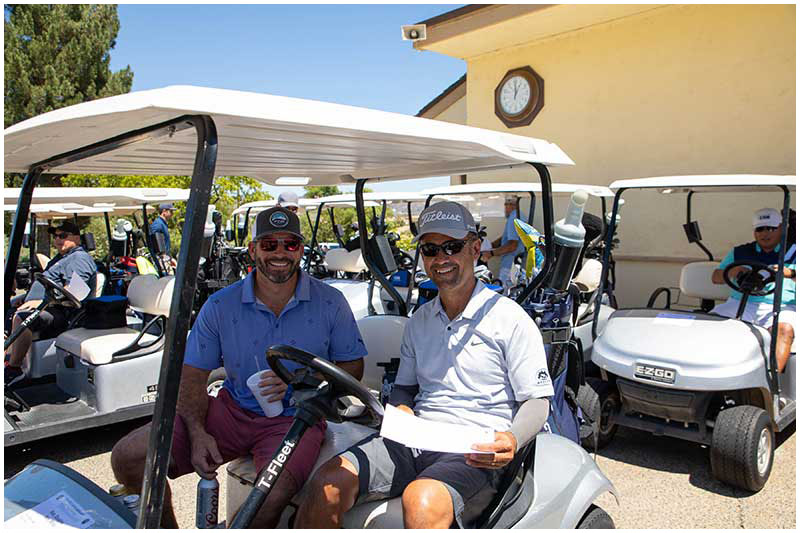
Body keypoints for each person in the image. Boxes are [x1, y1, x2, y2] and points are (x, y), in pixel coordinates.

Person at [297, 201, 553, 529]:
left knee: (422, 498)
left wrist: (513, 439)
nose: (441, 258)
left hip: (477, 449)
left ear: (475, 249)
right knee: (328, 483)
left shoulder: (511, 319)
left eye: (452, 247)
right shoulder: (419, 321)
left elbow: (537, 400)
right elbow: (404, 388)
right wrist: (401, 409)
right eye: (431, 249)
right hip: (419, 439)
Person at [110, 206, 367, 528]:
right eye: (269, 244)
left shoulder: (331, 301)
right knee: (129, 456)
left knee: (266, 498)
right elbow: (192, 375)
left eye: (290, 244)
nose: (280, 253)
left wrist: (304, 378)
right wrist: (198, 431)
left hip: (296, 418)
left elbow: (353, 365)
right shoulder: (221, 305)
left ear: (301, 250)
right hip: (231, 411)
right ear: (253, 250)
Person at [5, 221, 97, 385]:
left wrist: (41, 301)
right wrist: (27, 296)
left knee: (23, 318)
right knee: (10, 309)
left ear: (76, 237)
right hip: (49, 307)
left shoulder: (79, 258)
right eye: (55, 236)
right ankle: (7, 358)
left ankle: (14, 369)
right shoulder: (62, 257)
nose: (58, 240)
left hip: (65, 314)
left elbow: (75, 292)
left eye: (63, 236)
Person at [711, 207, 795, 372]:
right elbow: (716, 277)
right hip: (741, 302)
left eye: (771, 228)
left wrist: (790, 273)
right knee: (711, 324)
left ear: (782, 228)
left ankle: (770, 384)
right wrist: (735, 270)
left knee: (784, 329)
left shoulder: (794, 252)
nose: (765, 233)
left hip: (781, 306)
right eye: (760, 229)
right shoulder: (740, 251)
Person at [481, 196, 526, 293]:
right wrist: (490, 245)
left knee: (504, 296)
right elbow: (507, 237)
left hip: (510, 267)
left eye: (505, 205)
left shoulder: (514, 218)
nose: (505, 208)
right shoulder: (518, 216)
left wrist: (491, 254)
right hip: (516, 265)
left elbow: (512, 245)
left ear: (511, 205)